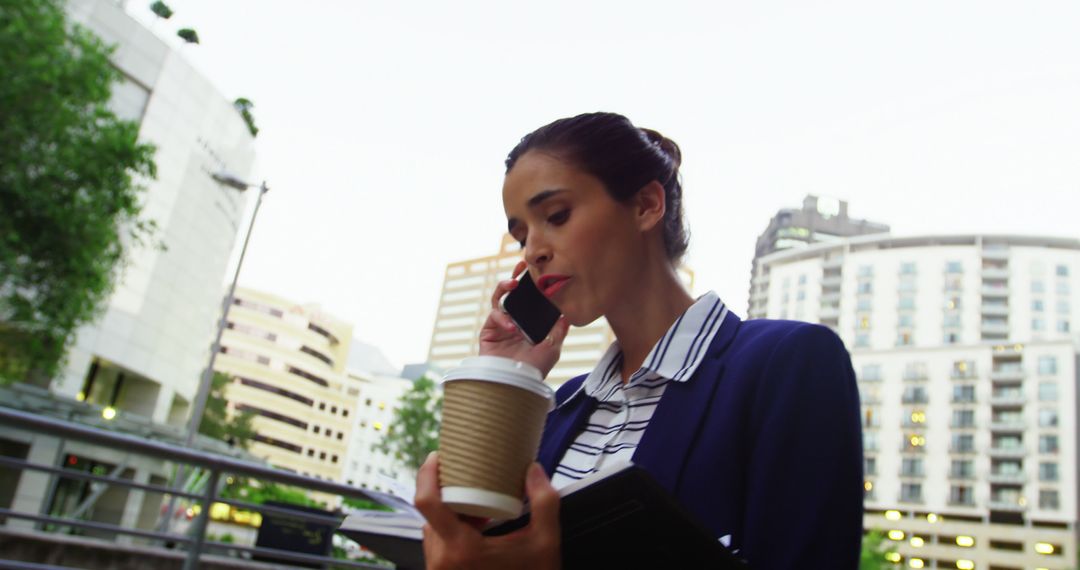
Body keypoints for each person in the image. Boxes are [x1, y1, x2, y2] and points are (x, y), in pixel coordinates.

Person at [413, 112, 864, 569]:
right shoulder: (560, 407)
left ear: (647, 204)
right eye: (522, 235)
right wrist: (509, 376)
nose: (532, 251)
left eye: (556, 216)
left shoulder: (788, 364)